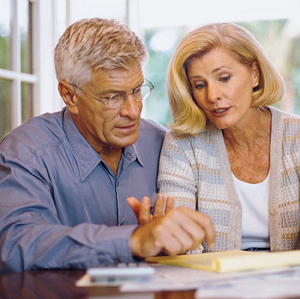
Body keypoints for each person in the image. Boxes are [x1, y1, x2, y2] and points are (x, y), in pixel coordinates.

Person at [0, 18, 215, 273]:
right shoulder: (28, 152)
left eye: (136, 91)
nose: (133, 111)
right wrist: (133, 240)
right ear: (70, 95)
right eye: (112, 97)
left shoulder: (166, 145)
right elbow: (14, 245)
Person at [158, 22, 300, 253]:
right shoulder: (182, 145)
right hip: (211, 283)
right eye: (200, 84)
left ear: (254, 73)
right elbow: (181, 243)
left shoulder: (296, 137)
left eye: (224, 78)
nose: (212, 95)